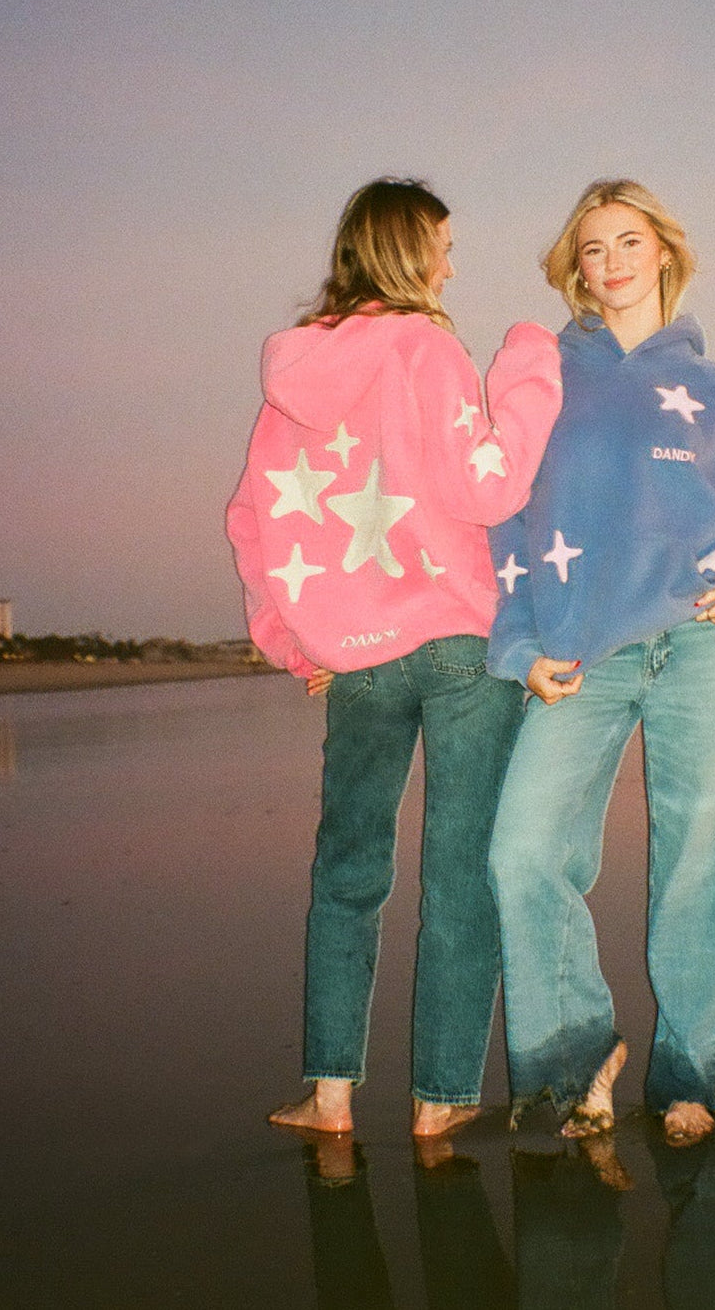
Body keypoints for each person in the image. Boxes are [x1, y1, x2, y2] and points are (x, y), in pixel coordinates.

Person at [226, 178, 561, 1137]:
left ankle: (330, 1097)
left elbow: (251, 521)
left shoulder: (291, 379)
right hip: (458, 646)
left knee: (347, 873)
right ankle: (439, 1104)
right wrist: (529, 365)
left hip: (357, 663)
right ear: (408, 252)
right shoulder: (428, 348)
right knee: (459, 876)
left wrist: (294, 643)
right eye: (443, 248)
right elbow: (489, 485)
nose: (452, 266)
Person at [486, 179, 715, 1146]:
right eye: (594, 248)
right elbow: (501, 516)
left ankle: (699, 1072)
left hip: (700, 642)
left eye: (631, 241)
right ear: (575, 269)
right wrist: (516, 643)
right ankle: (573, 1056)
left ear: (663, 252)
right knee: (522, 851)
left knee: (702, 859)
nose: (614, 260)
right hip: (583, 655)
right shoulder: (546, 374)